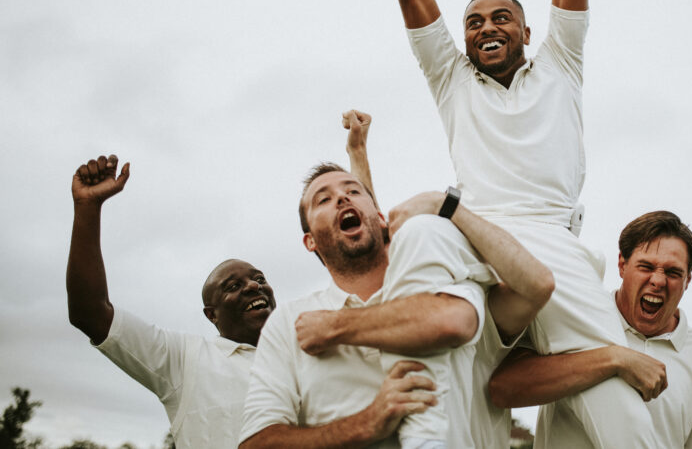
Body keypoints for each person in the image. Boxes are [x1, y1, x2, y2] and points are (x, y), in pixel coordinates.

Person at [391, 0, 660, 448]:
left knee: (613, 409)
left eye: (503, 18)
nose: (487, 27)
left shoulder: (560, 65)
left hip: (548, 241)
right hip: (473, 236)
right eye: (475, 21)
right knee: (422, 243)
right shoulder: (450, 79)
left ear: (526, 31)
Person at [239, 118, 554, 448]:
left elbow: (536, 285)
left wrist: (447, 206)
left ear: (379, 217)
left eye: (353, 191)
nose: (343, 199)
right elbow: (256, 443)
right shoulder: (290, 324)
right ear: (310, 241)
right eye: (323, 199)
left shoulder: (450, 289)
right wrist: (366, 423)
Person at [66, 154, 277, 449]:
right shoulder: (185, 359)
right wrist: (88, 209)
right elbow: (89, 313)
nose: (254, 286)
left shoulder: (308, 352)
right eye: (234, 286)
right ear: (211, 314)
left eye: (260, 278)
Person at [490, 211, 692, 449]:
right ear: (622, 264)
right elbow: (503, 389)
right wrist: (614, 359)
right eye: (646, 266)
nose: (658, 281)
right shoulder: (576, 314)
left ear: (688, 280)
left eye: (673, 273)